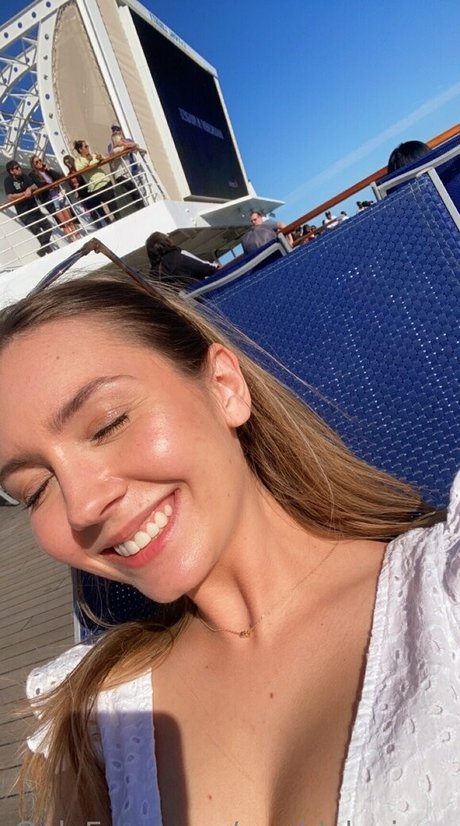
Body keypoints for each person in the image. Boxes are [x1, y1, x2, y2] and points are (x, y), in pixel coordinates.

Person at [0, 272, 457, 826]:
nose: (82, 505)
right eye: (36, 489)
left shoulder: (442, 593)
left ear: (224, 387)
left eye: (108, 424)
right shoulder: (95, 720)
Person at [3, 159, 54, 256]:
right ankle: (49, 252)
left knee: (48, 227)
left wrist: (29, 189)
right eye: (16, 168)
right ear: (11, 171)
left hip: (34, 208)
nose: (19, 169)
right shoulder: (8, 181)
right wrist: (24, 194)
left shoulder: (24, 176)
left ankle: (43, 250)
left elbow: (34, 186)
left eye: (19, 167)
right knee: (38, 232)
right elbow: (10, 196)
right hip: (24, 213)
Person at [30, 155, 81, 241]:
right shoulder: (33, 175)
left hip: (59, 195)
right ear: (33, 165)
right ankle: (73, 239)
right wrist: (52, 185)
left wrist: (48, 169)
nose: (39, 163)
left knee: (70, 219)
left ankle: (78, 238)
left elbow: (59, 177)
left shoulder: (47, 171)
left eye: (40, 160)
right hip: (51, 199)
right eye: (36, 162)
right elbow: (39, 185)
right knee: (64, 223)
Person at [145, 231, 219, 287]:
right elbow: (205, 268)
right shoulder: (178, 255)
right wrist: (215, 266)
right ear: (165, 242)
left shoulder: (153, 275)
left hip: (182, 301)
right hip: (201, 294)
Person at [73, 139, 119, 222]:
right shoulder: (78, 161)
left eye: (87, 146)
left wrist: (100, 158)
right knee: (101, 211)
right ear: (80, 149)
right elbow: (80, 170)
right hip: (95, 187)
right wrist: (90, 161)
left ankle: (119, 220)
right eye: (85, 146)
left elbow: (104, 158)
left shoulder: (94, 155)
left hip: (105, 182)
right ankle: (109, 224)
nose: (88, 148)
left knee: (113, 205)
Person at [63, 154, 107, 229]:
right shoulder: (69, 174)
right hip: (82, 195)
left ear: (72, 160)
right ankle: (100, 227)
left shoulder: (79, 169)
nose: (68, 164)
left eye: (68, 162)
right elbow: (72, 187)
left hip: (89, 191)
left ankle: (108, 222)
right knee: (92, 213)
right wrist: (75, 192)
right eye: (66, 163)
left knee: (100, 209)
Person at [107, 124, 144, 208]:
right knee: (135, 192)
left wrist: (124, 142)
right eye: (114, 130)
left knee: (135, 192)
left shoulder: (124, 145)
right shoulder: (115, 149)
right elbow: (114, 153)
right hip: (121, 175)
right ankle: (140, 206)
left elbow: (135, 145)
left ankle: (140, 205)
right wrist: (125, 144)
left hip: (129, 173)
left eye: (117, 129)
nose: (116, 131)